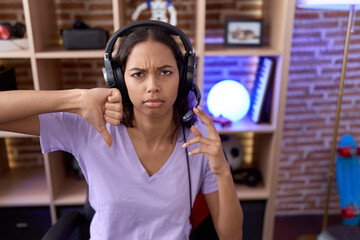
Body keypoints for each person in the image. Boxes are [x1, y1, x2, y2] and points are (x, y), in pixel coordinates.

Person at [0, 21, 243, 240]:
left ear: (184, 77)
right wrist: (77, 98)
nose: (153, 86)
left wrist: (222, 170)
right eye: (138, 74)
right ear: (118, 80)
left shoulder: (199, 137)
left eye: (165, 72)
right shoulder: (91, 125)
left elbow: (230, 236)